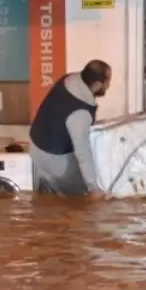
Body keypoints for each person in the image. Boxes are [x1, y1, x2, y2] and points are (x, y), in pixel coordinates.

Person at [29, 59, 112, 198]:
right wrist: (93, 189)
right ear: (97, 85)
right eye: (107, 82)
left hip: (35, 147)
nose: (108, 86)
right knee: (80, 199)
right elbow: (82, 153)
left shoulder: (69, 80)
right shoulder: (80, 113)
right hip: (54, 159)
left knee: (45, 199)